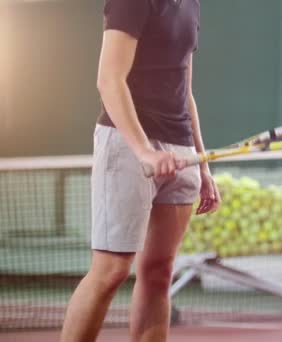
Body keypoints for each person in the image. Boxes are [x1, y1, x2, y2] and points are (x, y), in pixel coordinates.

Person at [60, 0, 221, 341]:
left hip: (180, 149)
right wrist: (144, 151)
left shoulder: (191, 5)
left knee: (160, 273)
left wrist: (202, 163)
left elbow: (184, 91)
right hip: (126, 143)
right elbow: (109, 79)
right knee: (112, 271)